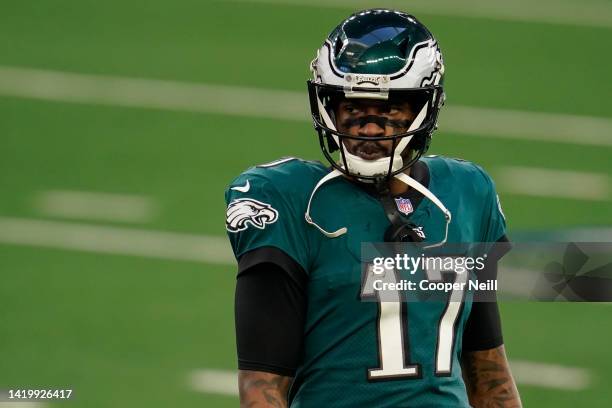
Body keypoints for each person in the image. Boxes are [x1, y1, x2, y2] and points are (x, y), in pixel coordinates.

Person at [225, 8, 522, 407]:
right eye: (353, 108)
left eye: (389, 109)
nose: (368, 127)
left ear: (423, 108)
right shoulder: (291, 200)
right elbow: (262, 387)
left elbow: (488, 367)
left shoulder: (468, 193)